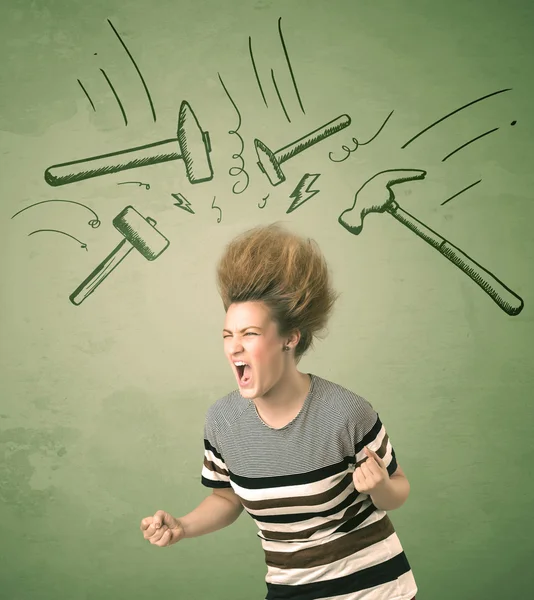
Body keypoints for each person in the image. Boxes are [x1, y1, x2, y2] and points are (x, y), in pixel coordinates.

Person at [140, 222, 418, 600]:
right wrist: (182, 526)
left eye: (249, 334)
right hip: (289, 591)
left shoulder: (346, 413)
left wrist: (381, 486)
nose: (234, 347)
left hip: (375, 590)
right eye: (228, 335)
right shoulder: (223, 422)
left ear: (290, 338)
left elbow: (397, 489)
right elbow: (227, 497)